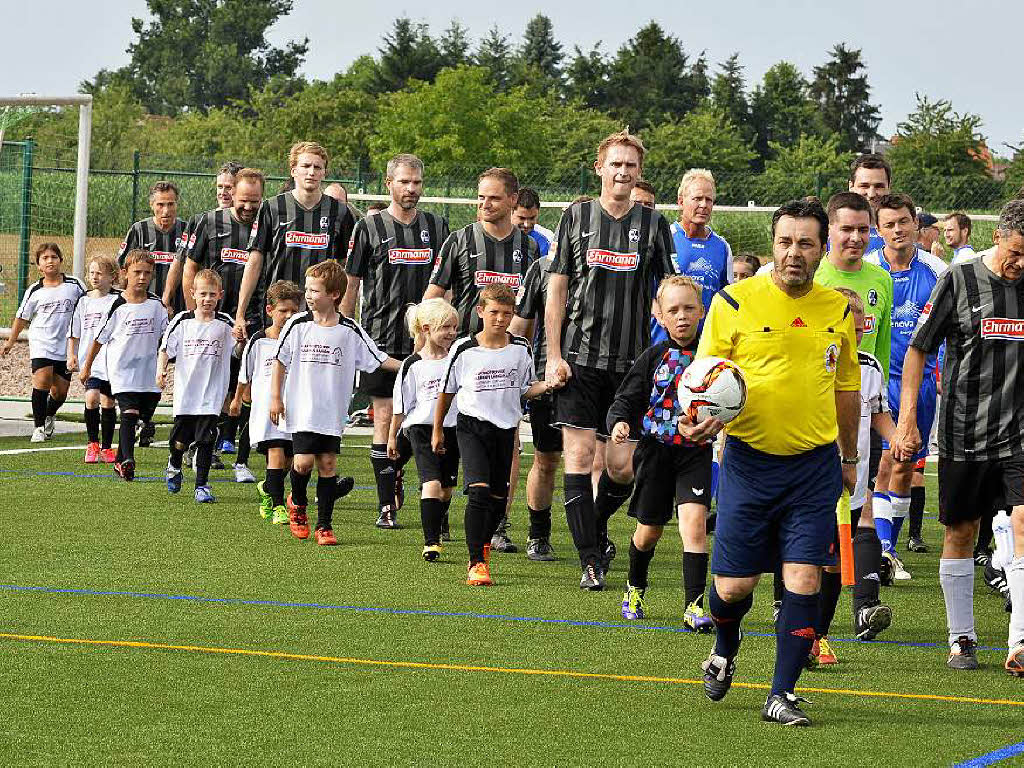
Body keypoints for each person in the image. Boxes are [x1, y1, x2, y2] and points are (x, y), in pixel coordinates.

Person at [697, 199, 859, 726]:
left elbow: (846, 387)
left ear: (822, 247)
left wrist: (850, 456)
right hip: (748, 463)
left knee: (803, 578)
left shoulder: (838, 308)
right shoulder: (733, 302)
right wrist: (700, 420)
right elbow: (705, 379)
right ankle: (726, 643)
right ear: (773, 244)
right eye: (785, 242)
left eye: (806, 243)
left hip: (813, 468)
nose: (794, 253)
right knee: (731, 590)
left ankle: (782, 693)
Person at [893, 198, 1024, 676]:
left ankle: (1019, 642)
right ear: (996, 238)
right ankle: (961, 638)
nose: (1021, 264)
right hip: (963, 434)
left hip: (1019, 436)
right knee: (961, 532)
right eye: (1016, 252)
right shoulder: (959, 280)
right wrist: (908, 419)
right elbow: (918, 349)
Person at [544, 129, 675, 590]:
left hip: (631, 366)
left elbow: (669, 290)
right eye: (615, 164)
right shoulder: (575, 217)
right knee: (578, 456)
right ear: (599, 167)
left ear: (639, 172)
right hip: (579, 360)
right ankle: (589, 562)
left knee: (620, 467)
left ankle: (595, 531)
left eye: (631, 166)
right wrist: (553, 353)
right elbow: (557, 287)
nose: (623, 172)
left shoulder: (654, 224)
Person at [424, 167, 539, 552]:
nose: (483, 204)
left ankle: (498, 524)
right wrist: (433, 341)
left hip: (509, 362)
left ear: (512, 200)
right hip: (468, 360)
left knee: (507, 447)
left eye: (492, 197)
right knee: (456, 441)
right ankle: (440, 518)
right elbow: (434, 295)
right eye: (480, 197)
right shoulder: (460, 240)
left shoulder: (531, 247)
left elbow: (534, 307)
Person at [343, 154, 450, 530]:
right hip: (381, 338)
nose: (412, 189)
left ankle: (413, 481)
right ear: (388, 183)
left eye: (417, 183)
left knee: (430, 418)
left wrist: (443, 329)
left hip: (429, 342)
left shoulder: (437, 226)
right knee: (386, 418)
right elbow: (352, 282)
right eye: (404, 182)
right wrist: (344, 327)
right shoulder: (368, 227)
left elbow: (446, 286)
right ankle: (386, 504)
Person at [432, 283, 559, 586]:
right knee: (478, 491)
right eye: (494, 312)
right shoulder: (463, 349)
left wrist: (550, 384)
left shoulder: (520, 348)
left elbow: (526, 389)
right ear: (480, 312)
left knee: (498, 499)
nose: (501, 319)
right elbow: (446, 392)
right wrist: (438, 430)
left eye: (507, 313)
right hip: (472, 427)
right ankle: (476, 562)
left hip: (506, 430)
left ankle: (484, 546)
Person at [607, 276, 714, 629]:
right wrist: (620, 421)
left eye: (688, 308)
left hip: (695, 453)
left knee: (695, 526)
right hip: (656, 453)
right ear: (660, 316)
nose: (681, 316)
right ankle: (634, 586)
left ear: (702, 311)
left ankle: (694, 606)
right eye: (673, 310)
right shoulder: (653, 357)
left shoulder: (712, 362)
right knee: (649, 530)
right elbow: (626, 398)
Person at [271, 260, 400, 546]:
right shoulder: (297, 324)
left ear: (334, 295)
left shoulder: (349, 330)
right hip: (303, 408)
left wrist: (411, 366)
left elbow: (377, 358)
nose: (308, 295)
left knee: (328, 464)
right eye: (307, 289)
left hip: (332, 411)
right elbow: (280, 361)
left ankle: (324, 525)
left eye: (315, 290)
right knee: (303, 463)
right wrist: (276, 397)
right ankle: (299, 506)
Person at [810, 288, 896, 667]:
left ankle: (819, 636)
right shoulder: (812, 361)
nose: (856, 338)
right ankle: (790, 614)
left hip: (851, 478)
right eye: (850, 330)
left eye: (861, 331)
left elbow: (878, 414)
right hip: (808, 474)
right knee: (803, 556)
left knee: (830, 562)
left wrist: (899, 439)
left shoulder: (870, 367)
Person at [866, 194, 946, 579]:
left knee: (902, 467)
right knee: (883, 462)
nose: (898, 230)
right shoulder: (866, 268)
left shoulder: (936, 270)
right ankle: (880, 548)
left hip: (921, 386)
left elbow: (948, 329)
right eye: (889, 224)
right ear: (877, 230)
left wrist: (945, 369)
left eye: (904, 222)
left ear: (916, 224)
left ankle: (888, 548)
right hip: (878, 383)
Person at [182, 167, 267, 482]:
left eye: (254, 202)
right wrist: (195, 315)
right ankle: (198, 444)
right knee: (208, 386)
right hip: (213, 318)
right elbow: (190, 268)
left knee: (241, 387)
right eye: (243, 200)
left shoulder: (268, 223)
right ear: (233, 194)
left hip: (254, 318)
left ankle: (236, 452)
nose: (247, 207)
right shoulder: (209, 222)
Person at [234, 141, 356, 342]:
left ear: (324, 173)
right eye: (306, 166)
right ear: (293, 171)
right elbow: (254, 262)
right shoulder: (272, 208)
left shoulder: (340, 213)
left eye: (317, 167)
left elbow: (346, 270)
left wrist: (343, 312)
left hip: (322, 313)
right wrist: (240, 313)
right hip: (280, 310)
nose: (311, 172)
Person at [79, 250, 169, 481]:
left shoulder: (157, 305)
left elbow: (167, 338)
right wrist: (87, 367)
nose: (142, 277)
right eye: (137, 272)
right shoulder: (117, 305)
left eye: (147, 273)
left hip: (149, 373)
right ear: (125, 273)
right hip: (122, 372)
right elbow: (99, 339)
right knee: (129, 413)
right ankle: (128, 461)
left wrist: (166, 363)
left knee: (144, 416)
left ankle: (119, 459)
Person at [388, 298, 460, 561]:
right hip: (420, 429)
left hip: (452, 429)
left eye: (454, 327)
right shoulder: (412, 364)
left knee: (446, 489)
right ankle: (432, 542)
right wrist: (392, 437)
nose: (451, 333)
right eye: (445, 328)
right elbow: (401, 405)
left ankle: (440, 521)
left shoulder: (458, 359)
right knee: (431, 483)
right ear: (427, 329)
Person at [157, 270, 238, 503]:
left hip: (212, 395)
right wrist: (160, 369)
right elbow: (165, 349)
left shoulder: (225, 323)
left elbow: (238, 351)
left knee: (205, 440)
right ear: (193, 294)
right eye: (203, 294)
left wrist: (241, 340)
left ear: (220, 295)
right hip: (186, 394)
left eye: (212, 294)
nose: (207, 299)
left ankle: (202, 485)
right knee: (180, 440)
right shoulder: (183, 320)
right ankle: (174, 463)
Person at [118, 181, 187, 447]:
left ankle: (159, 418)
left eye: (170, 204)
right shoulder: (139, 230)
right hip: (143, 311)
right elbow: (122, 267)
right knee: (145, 362)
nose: (166, 210)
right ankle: (142, 419)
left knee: (169, 364)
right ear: (152, 205)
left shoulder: (186, 231)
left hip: (176, 311)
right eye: (160, 204)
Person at [231, 280, 302, 524]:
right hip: (266, 410)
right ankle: (280, 506)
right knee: (276, 455)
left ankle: (267, 490)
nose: (289, 315)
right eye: (283, 310)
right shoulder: (259, 341)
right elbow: (245, 372)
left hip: (294, 410)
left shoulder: (300, 341)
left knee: (291, 463)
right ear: (270, 311)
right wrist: (238, 400)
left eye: (294, 311)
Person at [2, 242, 86, 442]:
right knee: (42, 381)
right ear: (39, 265)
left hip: (66, 345)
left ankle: (49, 413)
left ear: (61, 261)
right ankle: (38, 428)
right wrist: (10, 342)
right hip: (42, 342)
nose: (50, 261)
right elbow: (22, 317)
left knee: (60, 392)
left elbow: (88, 307)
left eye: (54, 257)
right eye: (45, 258)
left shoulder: (75, 285)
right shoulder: (34, 290)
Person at [510, 243, 561, 562]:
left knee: (600, 461)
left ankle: (596, 534)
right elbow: (520, 325)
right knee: (546, 461)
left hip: (595, 378)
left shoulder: (610, 266)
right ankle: (538, 534)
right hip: (548, 380)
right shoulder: (542, 268)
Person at [653, 169, 732, 345]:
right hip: (663, 344)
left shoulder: (722, 247)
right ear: (681, 201)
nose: (703, 205)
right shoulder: (663, 239)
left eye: (709, 200)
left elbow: (726, 298)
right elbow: (648, 292)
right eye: (697, 198)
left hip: (704, 345)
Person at [162, 161, 243, 313]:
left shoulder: (255, 223)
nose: (223, 192)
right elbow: (180, 262)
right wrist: (167, 299)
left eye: (229, 187)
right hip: (208, 308)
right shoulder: (200, 221)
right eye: (220, 186)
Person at [67, 254, 121, 462]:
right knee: (91, 398)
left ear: (112, 276)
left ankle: (107, 447)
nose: (95, 277)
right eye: (92, 273)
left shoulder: (118, 300)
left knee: (108, 402)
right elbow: (74, 331)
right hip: (90, 362)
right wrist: (72, 354)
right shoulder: (83, 301)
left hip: (111, 360)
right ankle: (92, 444)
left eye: (100, 273)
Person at [847, 154, 891, 253]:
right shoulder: (830, 231)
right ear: (851, 186)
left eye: (879, 186)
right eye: (864, 186)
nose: (871, 194)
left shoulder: (901, 232)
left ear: (889, 187)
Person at [512, 187, 550, 256]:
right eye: (522, 218)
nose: (527, 224)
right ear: (510, 212)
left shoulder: (547, 238)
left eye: (532, 218)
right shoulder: (496, 234)